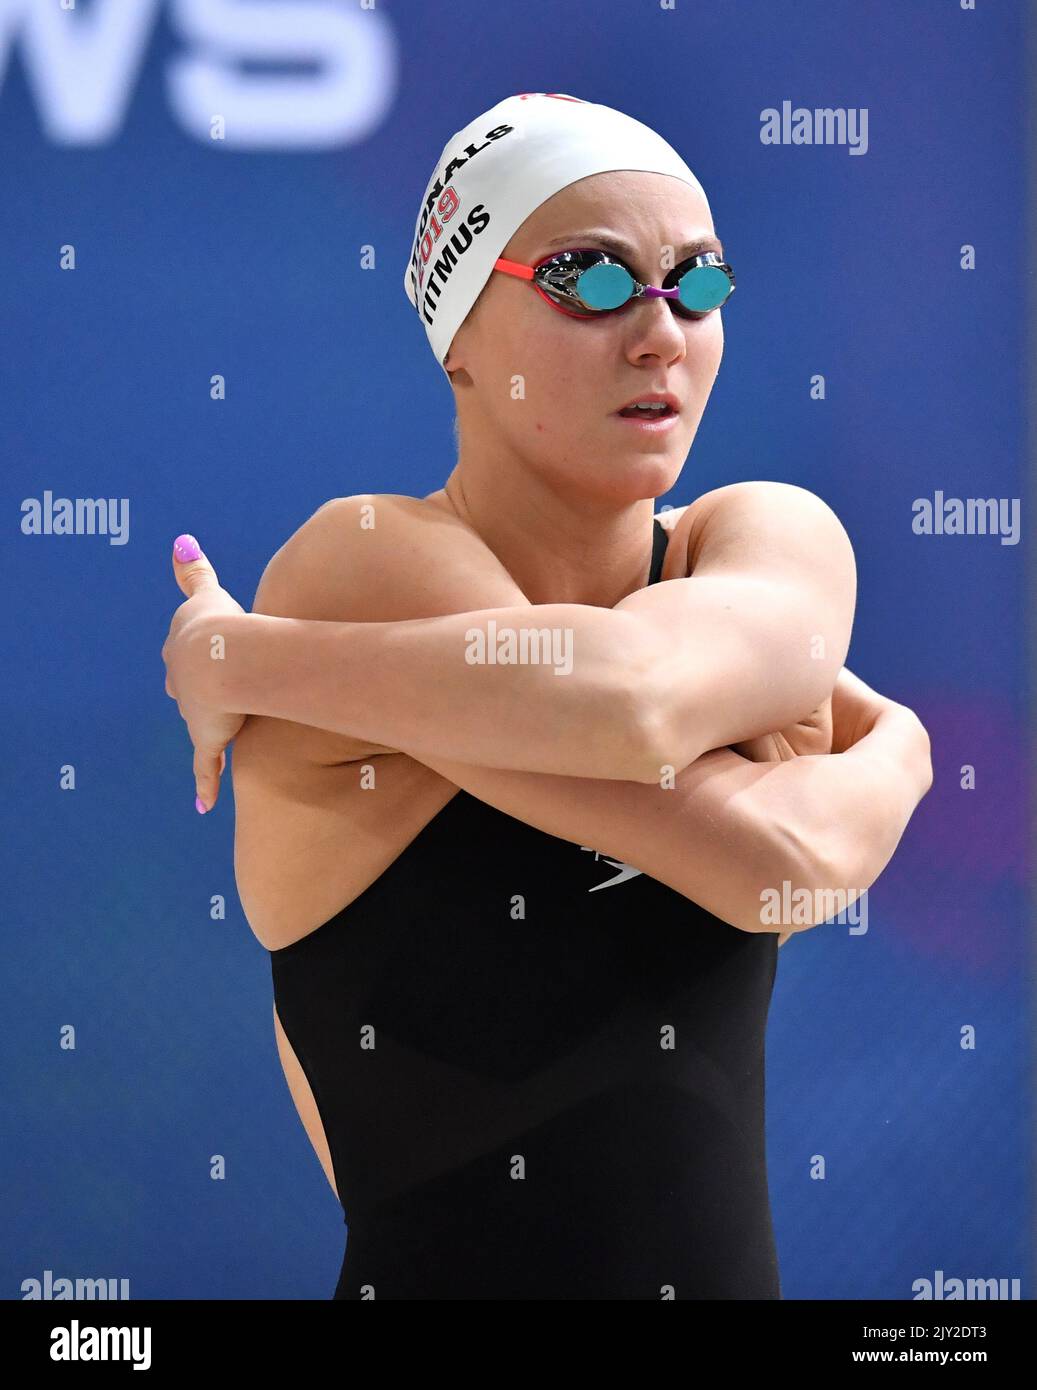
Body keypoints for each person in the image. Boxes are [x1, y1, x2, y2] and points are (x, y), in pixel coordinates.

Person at [161, 93, 933, 1299]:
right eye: (591, 280)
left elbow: (679, 752)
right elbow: (715, 793)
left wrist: (240, 660)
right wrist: (886, 749)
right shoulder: (358, 565)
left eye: (698, 283)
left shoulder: (765, 534)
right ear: (456, 335)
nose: (661, 331)